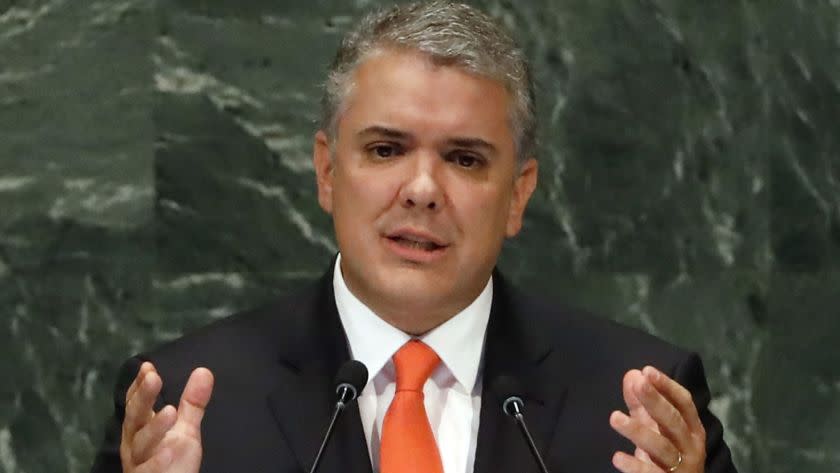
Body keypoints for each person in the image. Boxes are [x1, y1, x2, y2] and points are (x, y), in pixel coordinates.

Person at [91, 2, 738, 473]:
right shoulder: (187, 408)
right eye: (386, 148)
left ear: (518, 193)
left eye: (464, 158)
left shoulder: (641, 411)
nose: (423, 188)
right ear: (326, 172)